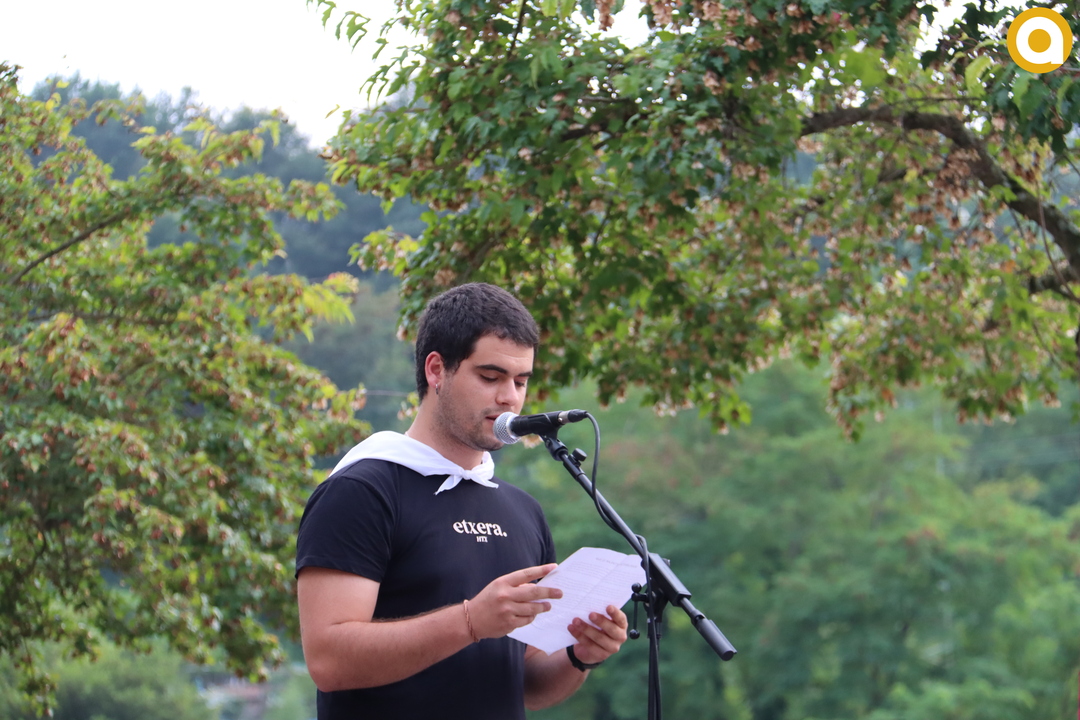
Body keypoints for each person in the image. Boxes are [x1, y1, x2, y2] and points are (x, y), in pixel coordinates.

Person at [296, 282, 628, 719]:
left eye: (521, 381)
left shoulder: (523, 511)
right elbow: (329, 661)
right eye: (490, 377)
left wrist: (579, 656)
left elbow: (526, 683)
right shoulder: (362, 491)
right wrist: (470, 621)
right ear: (437, 370)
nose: (510, 397)